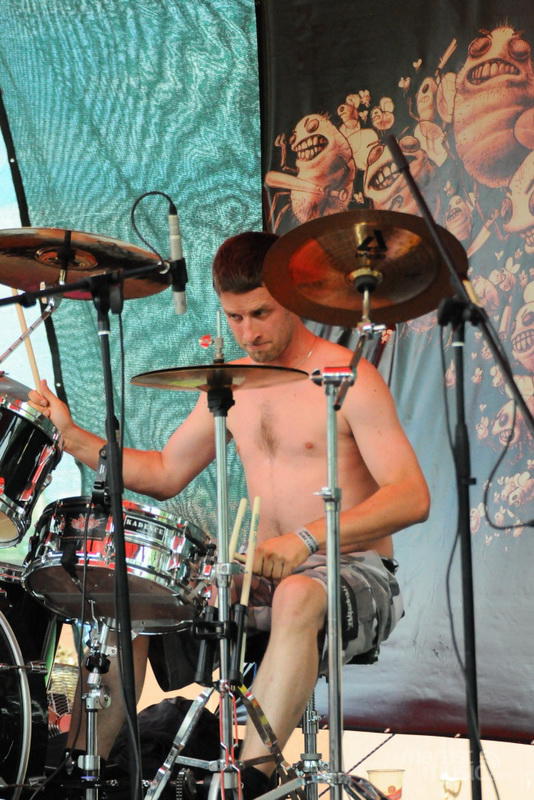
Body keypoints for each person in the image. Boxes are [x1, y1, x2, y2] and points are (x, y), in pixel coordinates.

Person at [28, 231, 430, 796]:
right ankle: (83, 775)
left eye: (261, 313)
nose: (248, 332)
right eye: (235, 317)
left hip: (351, 570)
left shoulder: (347, 378)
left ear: (294, 297)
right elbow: (166, 472)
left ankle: (248, 783)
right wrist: (72, 436)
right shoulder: (230, 383)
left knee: (298, 595)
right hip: (257, 571)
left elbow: (412, 496)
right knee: (131, 594)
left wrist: (308, 540)